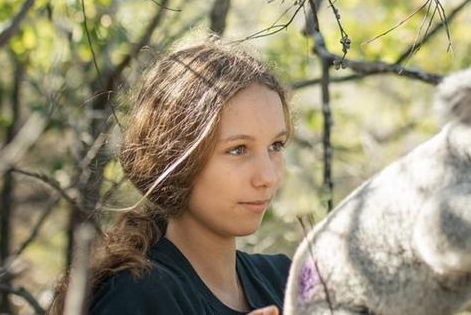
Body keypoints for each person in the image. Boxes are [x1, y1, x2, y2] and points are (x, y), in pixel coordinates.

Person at [49, 38, 293, 315]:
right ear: (177, 157)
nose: (267, 177)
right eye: (238, 149)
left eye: (276, 146)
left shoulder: (285, 280)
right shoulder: (134, 295)